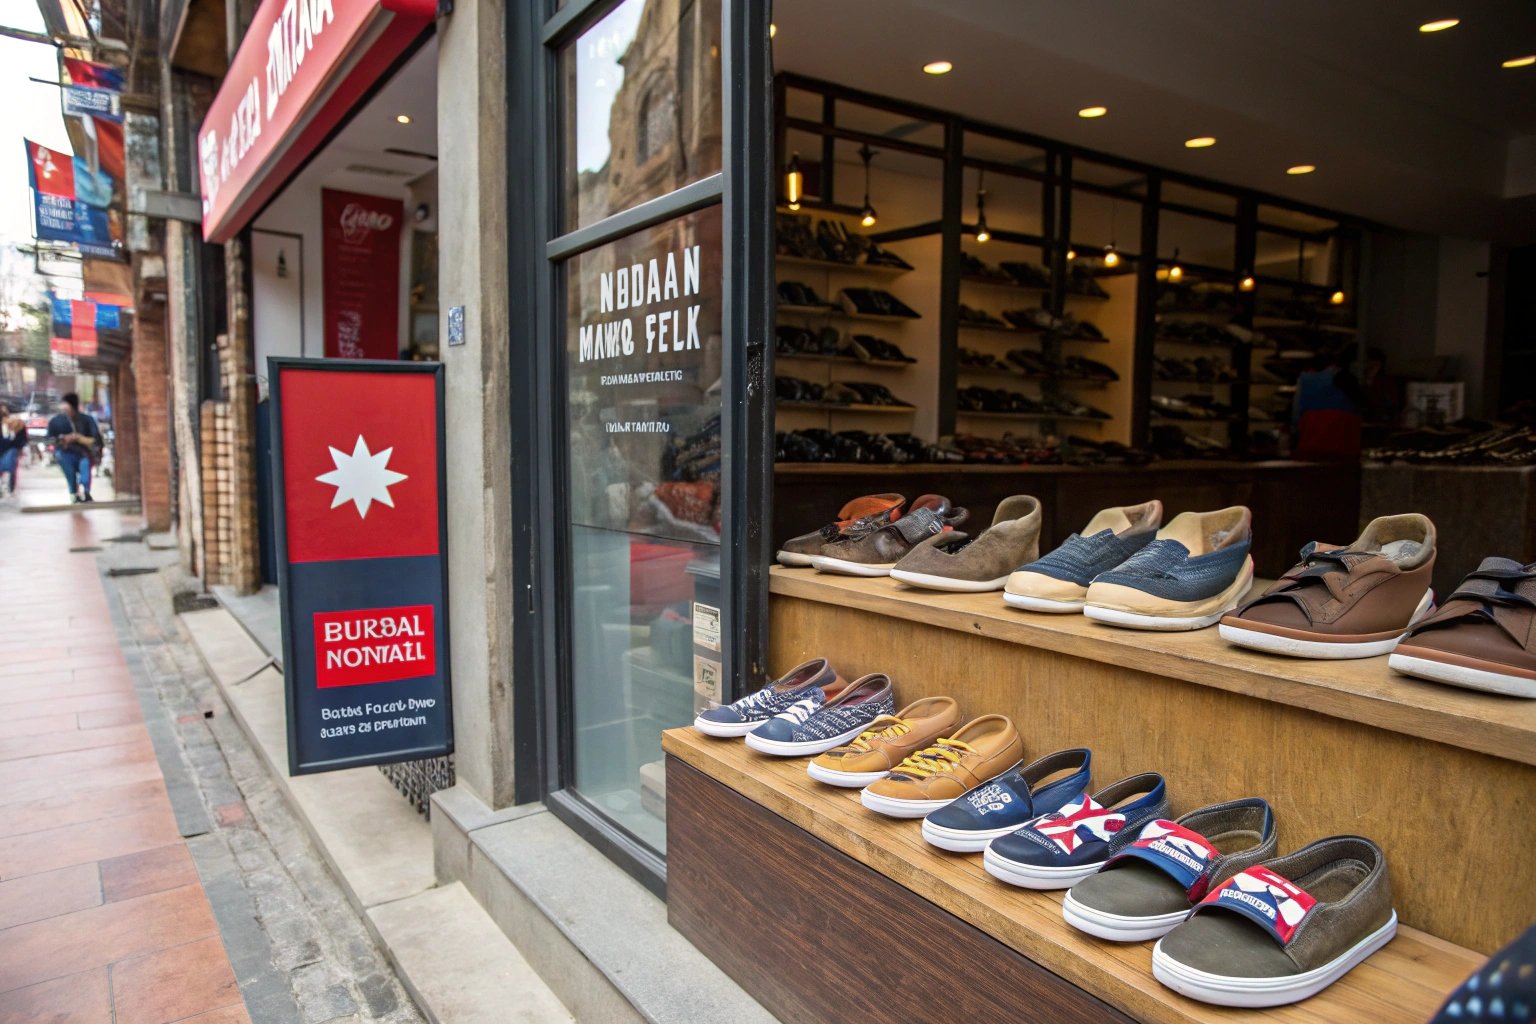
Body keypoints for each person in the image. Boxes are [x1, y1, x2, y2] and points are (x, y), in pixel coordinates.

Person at [1291, 346, 1365, 462]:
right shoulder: (1346, 379)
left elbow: (1295, 418)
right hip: (1341, 450)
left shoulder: (1304, 380)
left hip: (1309, 448)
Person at [46, 393, 101, 503]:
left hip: (83, 452)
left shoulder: (86, 420)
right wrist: (62, 439)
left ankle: (86, 492)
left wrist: (79, 438)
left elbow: (96, 439)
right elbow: (50, 439)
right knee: (70, 472)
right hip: (64, 452)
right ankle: (73, 493)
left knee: (85, 468)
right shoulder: (57, 421)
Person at [0, 405, 25, 498]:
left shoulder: (15, 423)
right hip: (8, 448)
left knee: (11, 468)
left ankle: (11, 488)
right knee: (11, 469)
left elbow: (21, 438)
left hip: (10, 449)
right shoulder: (14, 423)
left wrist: (18, 447)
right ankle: (9, 489)